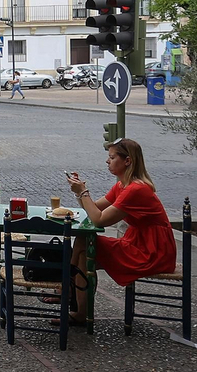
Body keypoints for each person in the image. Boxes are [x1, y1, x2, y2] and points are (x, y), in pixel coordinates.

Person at [65, 138, 176, 323]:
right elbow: (94, 208)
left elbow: (99, 219)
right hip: (139, 242)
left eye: (112, 157)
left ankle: (68, 295)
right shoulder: (122, 186)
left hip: (153, 250)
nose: (107, 161)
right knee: (84, 248)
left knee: (85, 242)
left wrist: (83, 192)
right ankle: (73, 302)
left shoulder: (135, 190)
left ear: (127, 161)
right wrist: (79, 192)